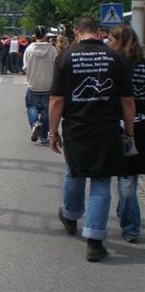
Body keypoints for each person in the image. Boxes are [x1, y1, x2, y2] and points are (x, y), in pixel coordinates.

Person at [49, 16, 134, 262]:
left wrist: (53, 132)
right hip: (107, 128)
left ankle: (70, 214)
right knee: (101, 181)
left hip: (76, 127)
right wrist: (130, 132)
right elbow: (127, 101)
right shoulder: (116, 58)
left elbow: (56, 100)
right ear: (98, 32)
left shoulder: (66, 57)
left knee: (74, 172)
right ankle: (95, 241)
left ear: (77, 32)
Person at [107, 24, 145, 243]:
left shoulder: (114, 65)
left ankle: (130, 226)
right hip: (141, 124)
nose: (107, 43)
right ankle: (127, 215)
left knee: (126, 177)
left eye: (111, 39)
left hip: (125, 126)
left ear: (119, 42)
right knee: (129, 176)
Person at [23, 26, 57, 144]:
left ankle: (35, 123)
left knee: (32, 107)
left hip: (33, 84)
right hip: (48, 85)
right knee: (46, 111)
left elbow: (25, 67)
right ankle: (43, 136)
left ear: (34, 35)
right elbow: (56, 66)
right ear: (45, 35)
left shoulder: (29, 49)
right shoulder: (52, 49)